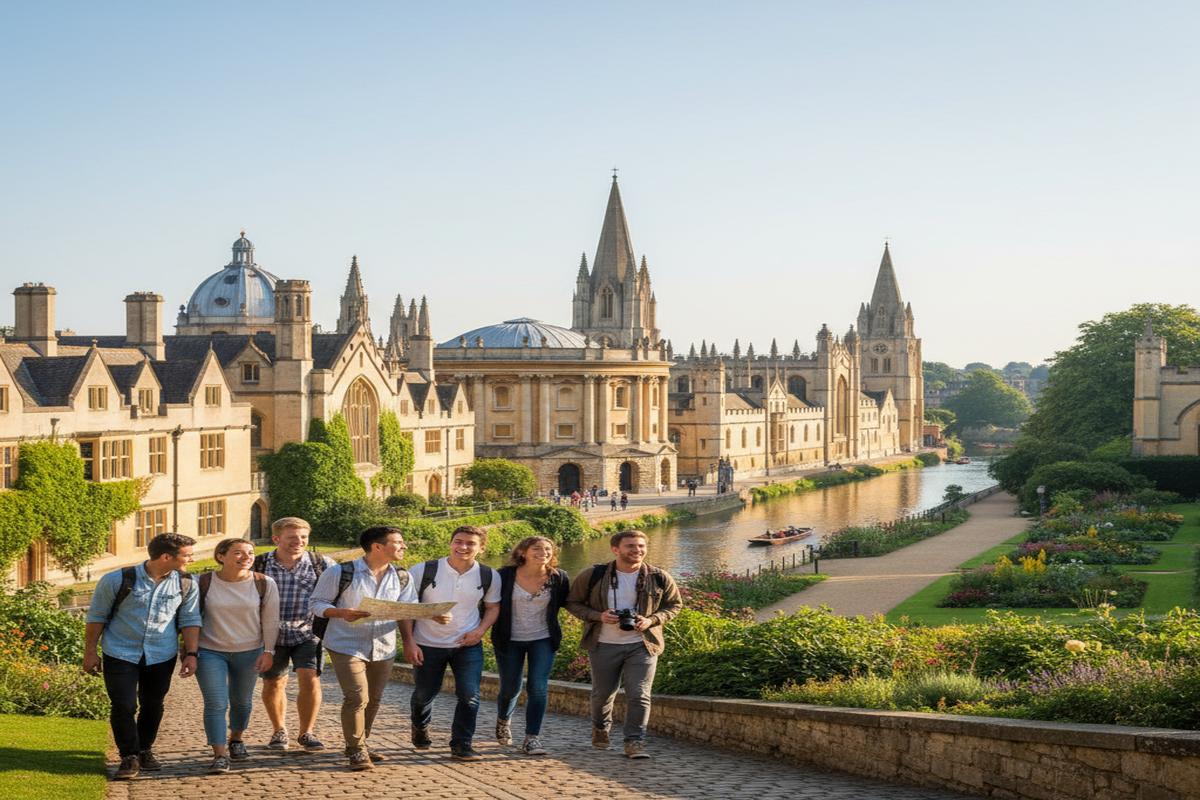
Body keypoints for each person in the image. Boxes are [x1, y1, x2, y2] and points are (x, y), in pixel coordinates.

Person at [84, 532, 201, 781]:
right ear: (166, 556)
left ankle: (144, 749)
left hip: (162, 653)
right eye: (187, 555)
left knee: (153, 704)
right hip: (120, 651)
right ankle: (129, 756)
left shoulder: (187, 583)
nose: (192, 559)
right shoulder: (117, 580)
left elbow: (190, 620)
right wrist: (90, 651)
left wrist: (191, 653)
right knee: (124, 705)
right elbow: (97, 616)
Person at [566, 530, 683, 759]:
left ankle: (634, 741)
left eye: (641, 546)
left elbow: (674, 606)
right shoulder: (594, 575)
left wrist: (651, 620)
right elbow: (572, 602)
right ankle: (600, 728)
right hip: (603, 643)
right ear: (615, 549)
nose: (637, 550)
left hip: (643, 644)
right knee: (603, 694)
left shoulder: (659, 576)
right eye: (631, 546)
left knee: (639, 694)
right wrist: (598, 616)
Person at [311, 526, 417, 770]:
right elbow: (316, 603)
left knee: (374, 699)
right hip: (345, 643)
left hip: (384, 645)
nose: (404, 546)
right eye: (398, 542)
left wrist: (411, 641)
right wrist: (340, 612)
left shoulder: (403, 576)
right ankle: (357, 750)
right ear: (378, 547)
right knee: (357, 696)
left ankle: (358, 743)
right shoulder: (340, 572)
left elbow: (407, 610)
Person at [406, 525, 501, 761]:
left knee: (470, 695)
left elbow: (492, 607)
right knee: (423, 695)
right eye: (458, 541)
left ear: (481, 548)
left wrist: (479, 631)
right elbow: (406, 607)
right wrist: (409, 642)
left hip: (467, 645)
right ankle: (420, 726)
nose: (463, 547)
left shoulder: (488, 575)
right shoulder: (423, 570)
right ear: (450, 543)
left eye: (470, 543)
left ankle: (462, 744)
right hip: (426, 644)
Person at [195, 538, 281, 774]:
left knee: (242, 701)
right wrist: (191, 651)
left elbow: (271, 620)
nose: (246, 557)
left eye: (250, 553)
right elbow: (190, 620)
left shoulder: (264, 583)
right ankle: (220, 755)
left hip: (249, 651)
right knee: (216, 703)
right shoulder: (202, 582)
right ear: (220, 556)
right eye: (238, 553)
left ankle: (236, 738)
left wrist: (269, 651)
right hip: (210, 651)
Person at [254, 517, 336, 753]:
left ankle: (306, 732)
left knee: (310, 678)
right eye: (292, 537)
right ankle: (279, 730)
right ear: (276, 538)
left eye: (303, 537)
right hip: (271, 634)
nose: (298, 542)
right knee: (273, 682)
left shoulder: (322, 563)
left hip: (308, 632)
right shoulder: (259, 564)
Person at [492, 536, 570, 756]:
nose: (543, 552)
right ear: (523, 552)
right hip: (509, 639)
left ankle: (531, 738)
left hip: (543, 639)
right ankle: (503, 720)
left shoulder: (559, 578)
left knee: (538, 687)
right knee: (510, 688)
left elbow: (570, 603)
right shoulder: (503, 576)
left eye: (547, 548)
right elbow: (488, 606)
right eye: (536, 548)